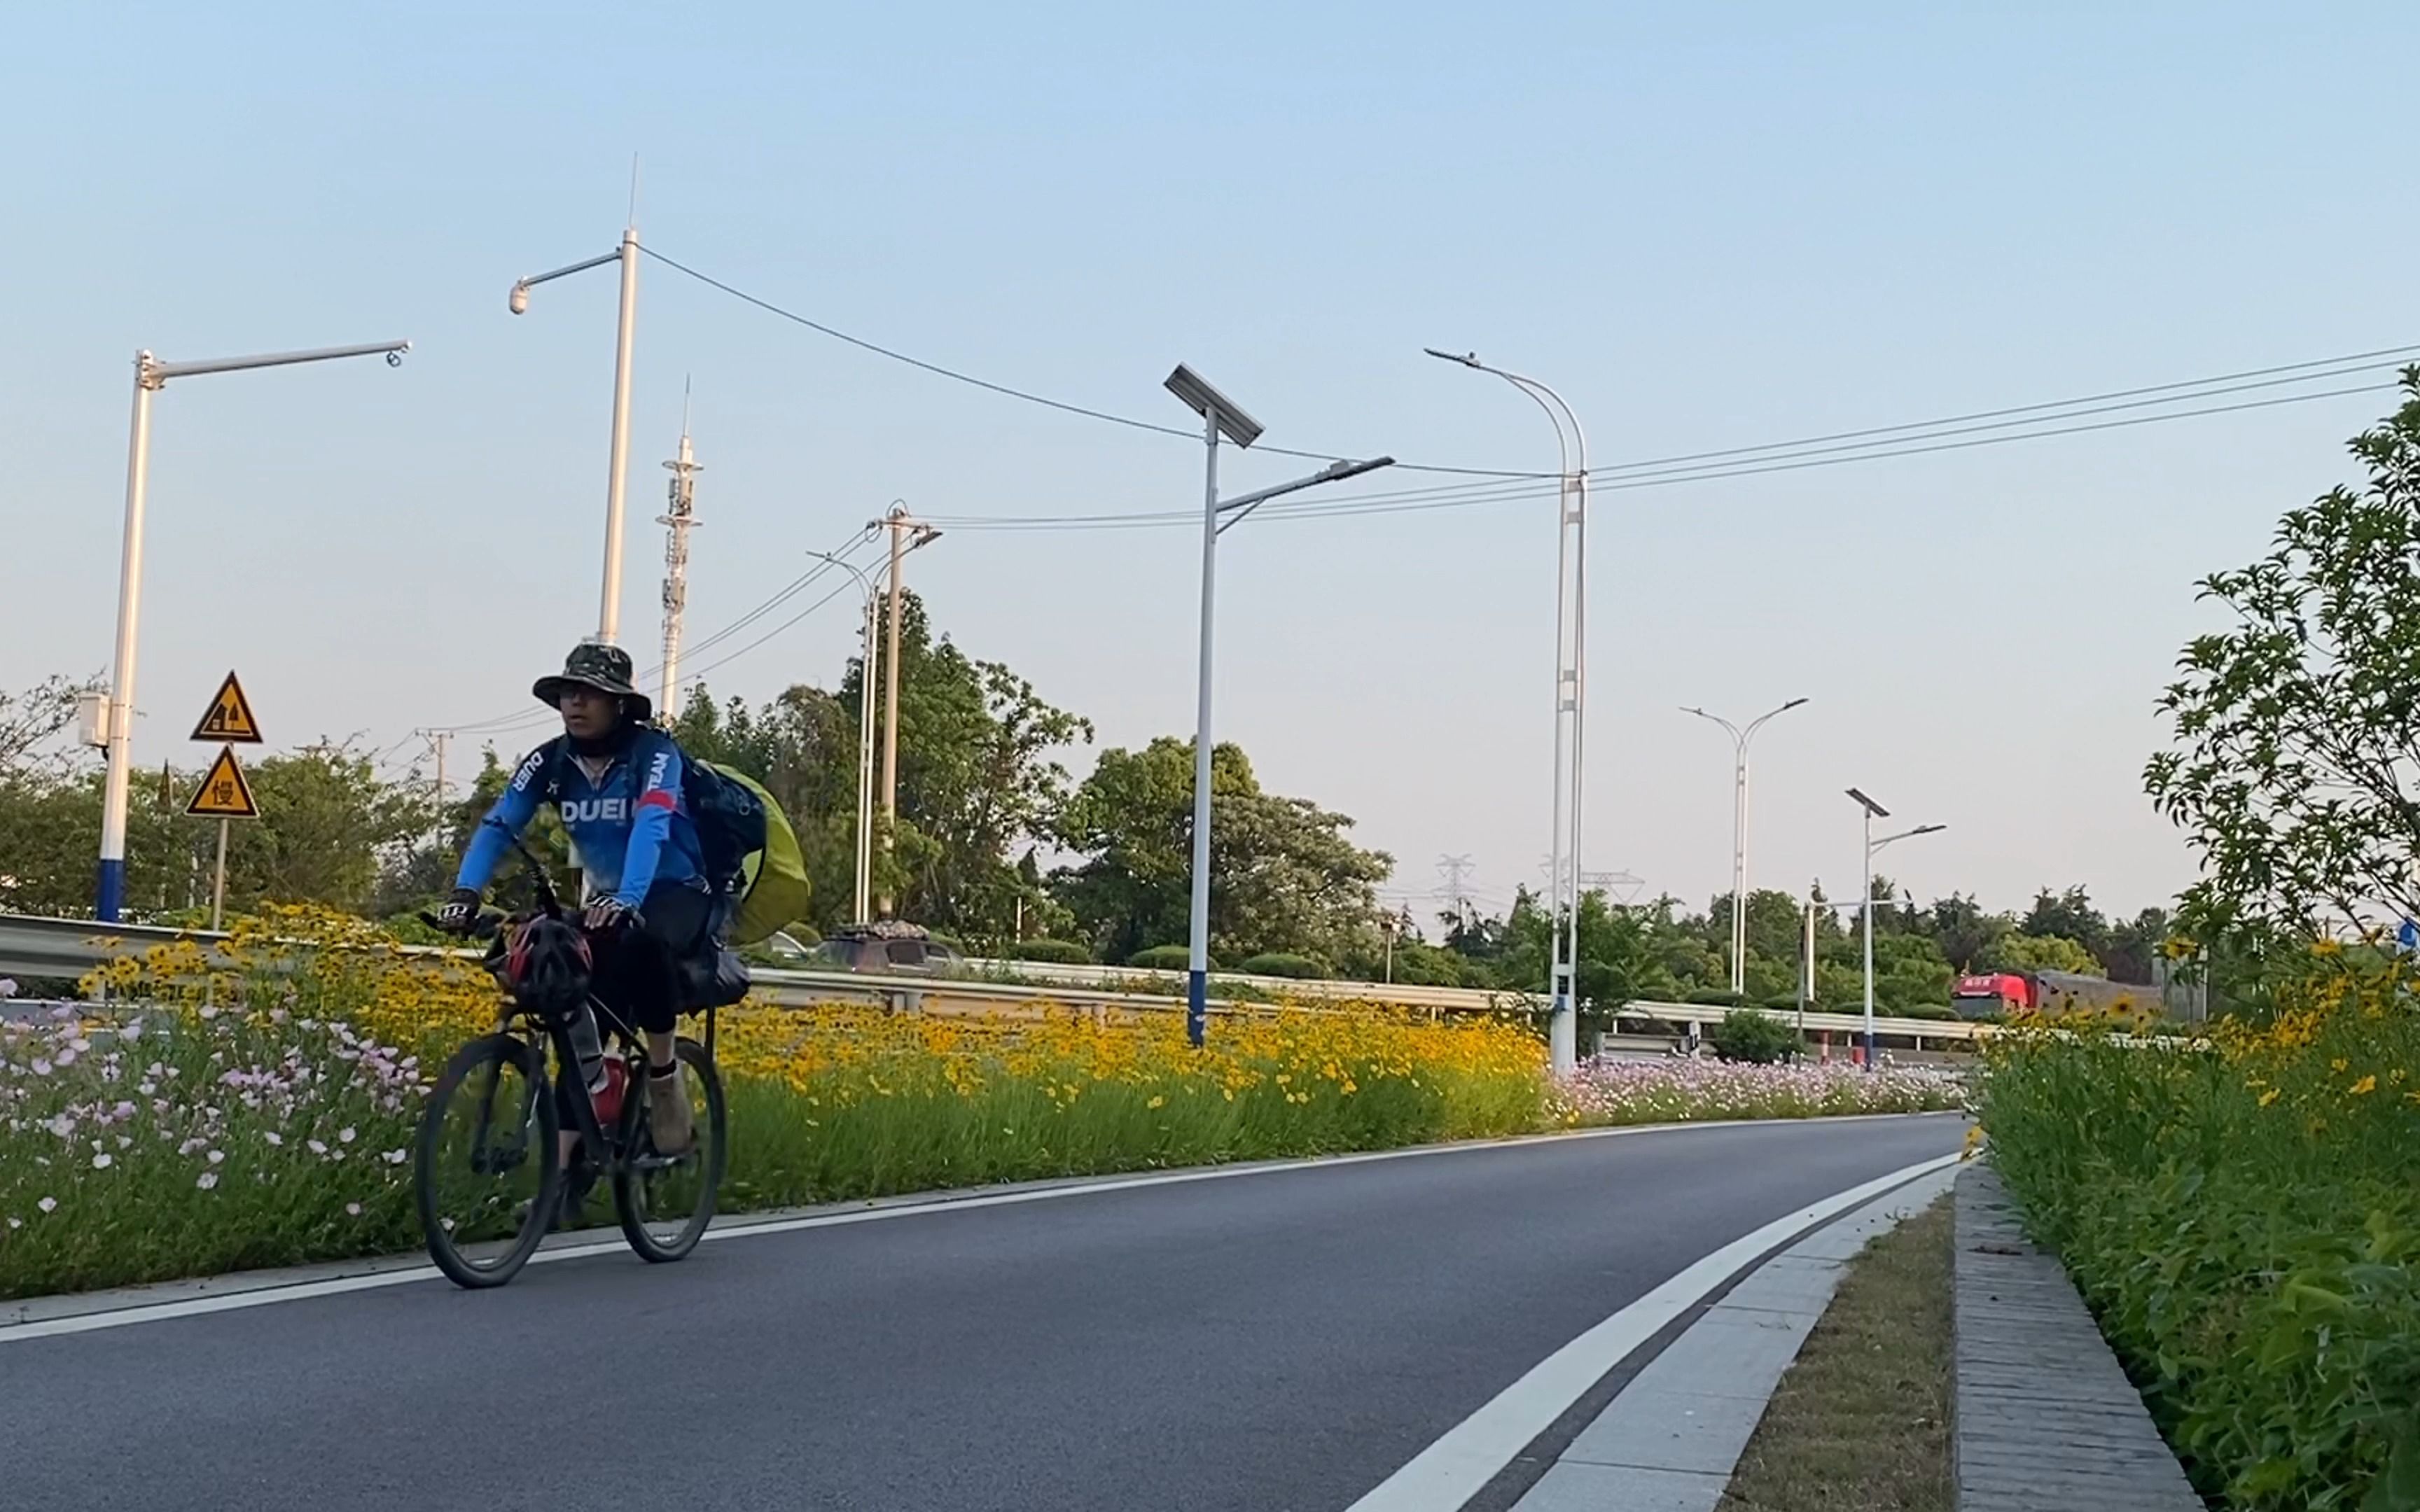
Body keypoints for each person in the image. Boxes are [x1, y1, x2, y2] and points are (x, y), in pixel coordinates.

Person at [437, 641, 707, 1219]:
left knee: (645, 944)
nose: (574, 703)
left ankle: (663, 1075)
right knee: (565, 999)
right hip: (607, 897)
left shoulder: (655, 755)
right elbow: (498, 824)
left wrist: (628, 899)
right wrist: (466, 892)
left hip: (676, 892)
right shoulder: (550, 761)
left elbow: (652, 827)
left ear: (619, 704)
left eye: (589, 694)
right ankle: (561, 1182)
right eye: (566, 693)